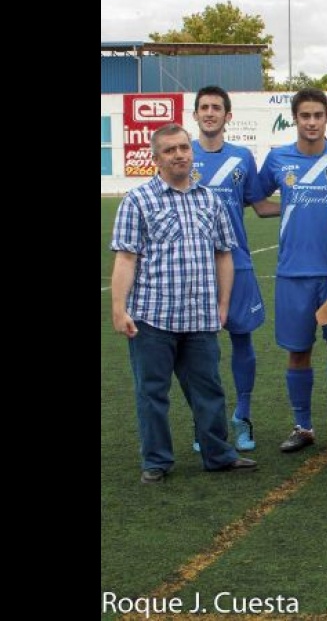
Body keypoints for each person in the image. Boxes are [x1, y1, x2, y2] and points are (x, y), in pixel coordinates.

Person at [110, 123, 258, 482]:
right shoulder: (138, 200)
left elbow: (224, 255)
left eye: (182, 148)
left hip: (201, 318)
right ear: (155, 157)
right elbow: (126, 258)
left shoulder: (210, 199)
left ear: (191, 152)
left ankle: (218, 454)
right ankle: (156, 462)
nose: (178, 155)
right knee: (152, 395)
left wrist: (223, 304)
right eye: (169, 150)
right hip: (152, 319)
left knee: (209, 392)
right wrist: (118, 309)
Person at [257, 89, 327, 453]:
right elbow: (257, 200)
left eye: (318, 115)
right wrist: (286, 207)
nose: (312, 122)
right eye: (305, 116)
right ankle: (302, 426)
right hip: (292, 274)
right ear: (295, 118)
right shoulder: (277, 158)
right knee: (297, 351)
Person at [189, 86, 279, 452]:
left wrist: (305, 202)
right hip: (192, 269)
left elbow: (259, 205)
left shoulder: (242, 158)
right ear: (195, 115)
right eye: (204, 108)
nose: (210, 113)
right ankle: (206, 424)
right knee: (199, 349)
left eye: (216, 108)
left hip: (237, 263)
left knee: (242, 339)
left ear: (228, 116)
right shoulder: (182, 153)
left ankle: (241, 417)